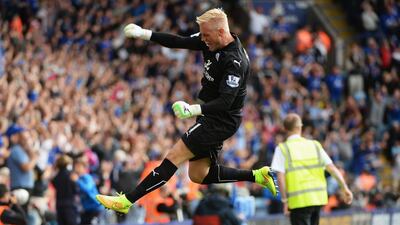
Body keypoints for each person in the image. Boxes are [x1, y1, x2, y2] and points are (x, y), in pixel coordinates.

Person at [96, 8, 278, 214]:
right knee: (198, 175)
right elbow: (179, 41)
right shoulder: (210, 38)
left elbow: (226, 101)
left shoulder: (235, 61)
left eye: (206, 35)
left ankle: (127, 201)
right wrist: (144, 33)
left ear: (220, 32)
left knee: (174, 155)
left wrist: (193, 109)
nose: (203, 39)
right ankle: (257, 176)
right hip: (212, 115)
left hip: (220, 119)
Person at [271, 113, 353, 225]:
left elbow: (280, 178)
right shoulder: (315, 145)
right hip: (317, 199)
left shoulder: (282, 149)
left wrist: (285, 201)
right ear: (300, 127)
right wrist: (345, 188)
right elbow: (332, 168)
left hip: (298, 201)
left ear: (285, 129)